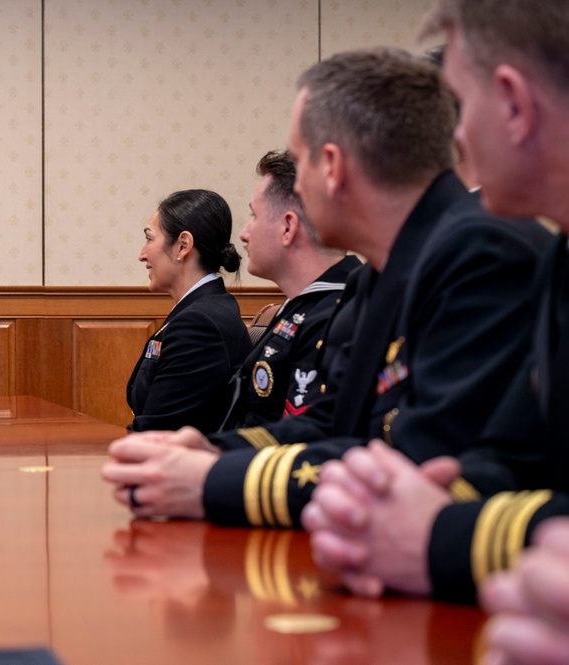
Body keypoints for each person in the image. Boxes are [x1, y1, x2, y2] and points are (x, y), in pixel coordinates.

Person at [102, 48, 549, 528]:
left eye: (300, 160)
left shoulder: (483, 253)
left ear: (332, 166)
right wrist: (211, 450)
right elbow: (330, 422)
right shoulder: (380, 273)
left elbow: (414, 466)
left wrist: (212, 481)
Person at [302, 0, 569, 626]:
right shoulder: (561, 253)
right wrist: (420, 501)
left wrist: (435, 535)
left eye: (460, 106)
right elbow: (509, 455)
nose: (458, 139)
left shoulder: (485, 247)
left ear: (512, 104)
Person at [220, 149, 360, 430]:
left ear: (287, 227)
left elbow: (302, 437)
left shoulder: (338, 312)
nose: (244, 234)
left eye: (253, 216)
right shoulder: (304, 304)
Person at [126, 189, 251, 434]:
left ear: (183, 246)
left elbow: (159, 431)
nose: (142, 255)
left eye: (150, 239)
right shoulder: (199, 310)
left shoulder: (200, 324)